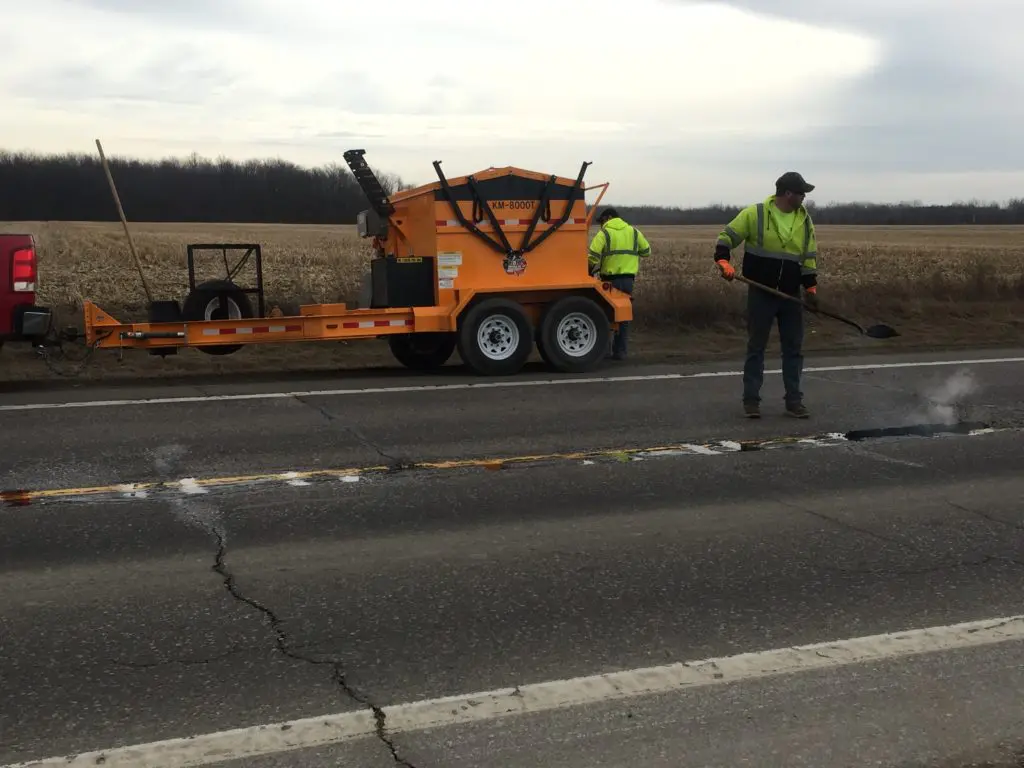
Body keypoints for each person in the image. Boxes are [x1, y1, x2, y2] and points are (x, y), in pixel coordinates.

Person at [713, 171, 820, 419]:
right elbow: (726, 237)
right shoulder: (756, 214)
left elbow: (808, 259)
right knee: (756, 347)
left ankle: (794, 401)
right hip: (761, 292)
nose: (804, 197)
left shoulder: (805, 221)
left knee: (794, 349)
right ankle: (751, 401)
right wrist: (723, 261)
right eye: (802, 192)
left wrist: (811, 289)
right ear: (788, 193)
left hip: (790, 296)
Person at [587, 207, 652, 360]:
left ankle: (604, 352)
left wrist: (588, 271)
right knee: (623, 316)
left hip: (609, 282)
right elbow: (647, 251)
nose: (602, 224)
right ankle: (620, 352)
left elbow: (592, 257)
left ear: (608, 217)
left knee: (606, 315)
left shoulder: (604, 233)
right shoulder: (634, 232)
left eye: (602, 221)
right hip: (628, 280)